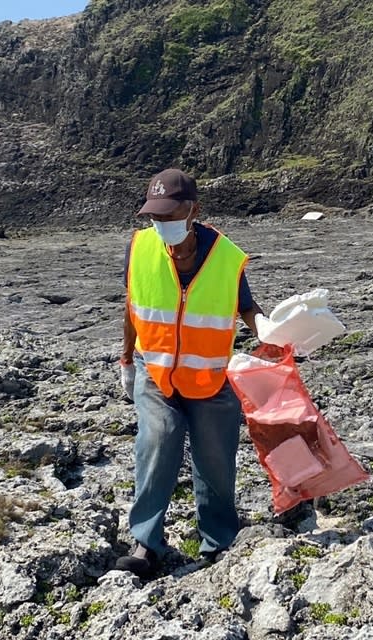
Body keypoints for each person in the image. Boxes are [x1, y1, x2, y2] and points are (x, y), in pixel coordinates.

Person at [116, 168, 264, 577]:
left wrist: (270, 330)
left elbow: (246, 307)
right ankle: (146, 542)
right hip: (157, 371)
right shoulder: (140, 248)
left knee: (216, 459)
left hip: (210, 375)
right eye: (155, 217)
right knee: (158, 439)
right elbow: (132, 307)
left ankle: (218, 542)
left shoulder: (226, 257)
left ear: (193, 210)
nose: (161, 224)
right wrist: (127, 361)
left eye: (170, 215)